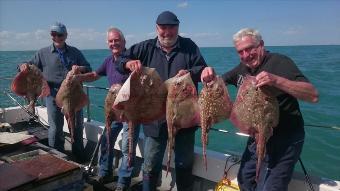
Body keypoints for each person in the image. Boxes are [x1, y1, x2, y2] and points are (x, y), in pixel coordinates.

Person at [117, 11, 214, 191]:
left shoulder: (189, 46)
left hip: (184, 119)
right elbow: (120, 60)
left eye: (172, 28)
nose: (167, 32)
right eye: (163, 28)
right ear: (157, 28)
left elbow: (202, 68)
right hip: (154, 120)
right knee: (150, 164)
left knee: (184, 164)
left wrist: (192, 73)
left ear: (178, 28)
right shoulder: (145, 47)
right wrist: (127, 64)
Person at [221, 28, 319, 191]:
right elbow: (222, 80)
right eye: (241, 51)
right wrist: (208, 75)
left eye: (250, 48)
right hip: (257, 136)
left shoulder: (280, 62)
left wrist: (276, 81)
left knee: (269, 187)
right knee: (244, 179)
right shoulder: (243, 67)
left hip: (285, 139)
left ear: (261, 45)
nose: (246, 55)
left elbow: (313, 95)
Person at [74, 27, 141, 189]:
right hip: (113, 109)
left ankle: (123, 183)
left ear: (124, 42)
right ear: (107, 43)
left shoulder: (132, 60)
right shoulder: (108, 61)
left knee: (127, 147)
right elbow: (95, 75)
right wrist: (77, 78)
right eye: (111, 41)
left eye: (117, 40)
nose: (113, 43)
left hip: (131, 111)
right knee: (106, 140)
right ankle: (105, 173)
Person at [19, 22, 92, 161]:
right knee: (55, 128)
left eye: (60, 34)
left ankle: (78, 154)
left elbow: (88, 68)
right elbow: (29, 65)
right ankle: (56, 157)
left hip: (73, 95)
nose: (57, 37)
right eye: (54, 34)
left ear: (66, 36)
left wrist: (80, 69)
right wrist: (22, 65)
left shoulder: (75, 52)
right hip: (53, 95)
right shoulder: (42, 53)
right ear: (51, 35)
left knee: (76, 126)